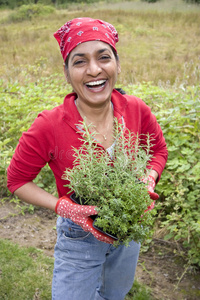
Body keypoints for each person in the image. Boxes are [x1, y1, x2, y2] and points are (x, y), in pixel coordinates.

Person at [7, 17, 168, 300]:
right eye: (79, 61)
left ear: (117, 65)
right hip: (79, 236)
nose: (94, 70)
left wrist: (149, 177)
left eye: (103, 57)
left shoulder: (135, 109)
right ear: (67, 74)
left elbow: (158, 152)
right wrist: (64, 208)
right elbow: (17, 181)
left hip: (129, 225)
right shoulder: (49, 125)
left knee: (114, 294)